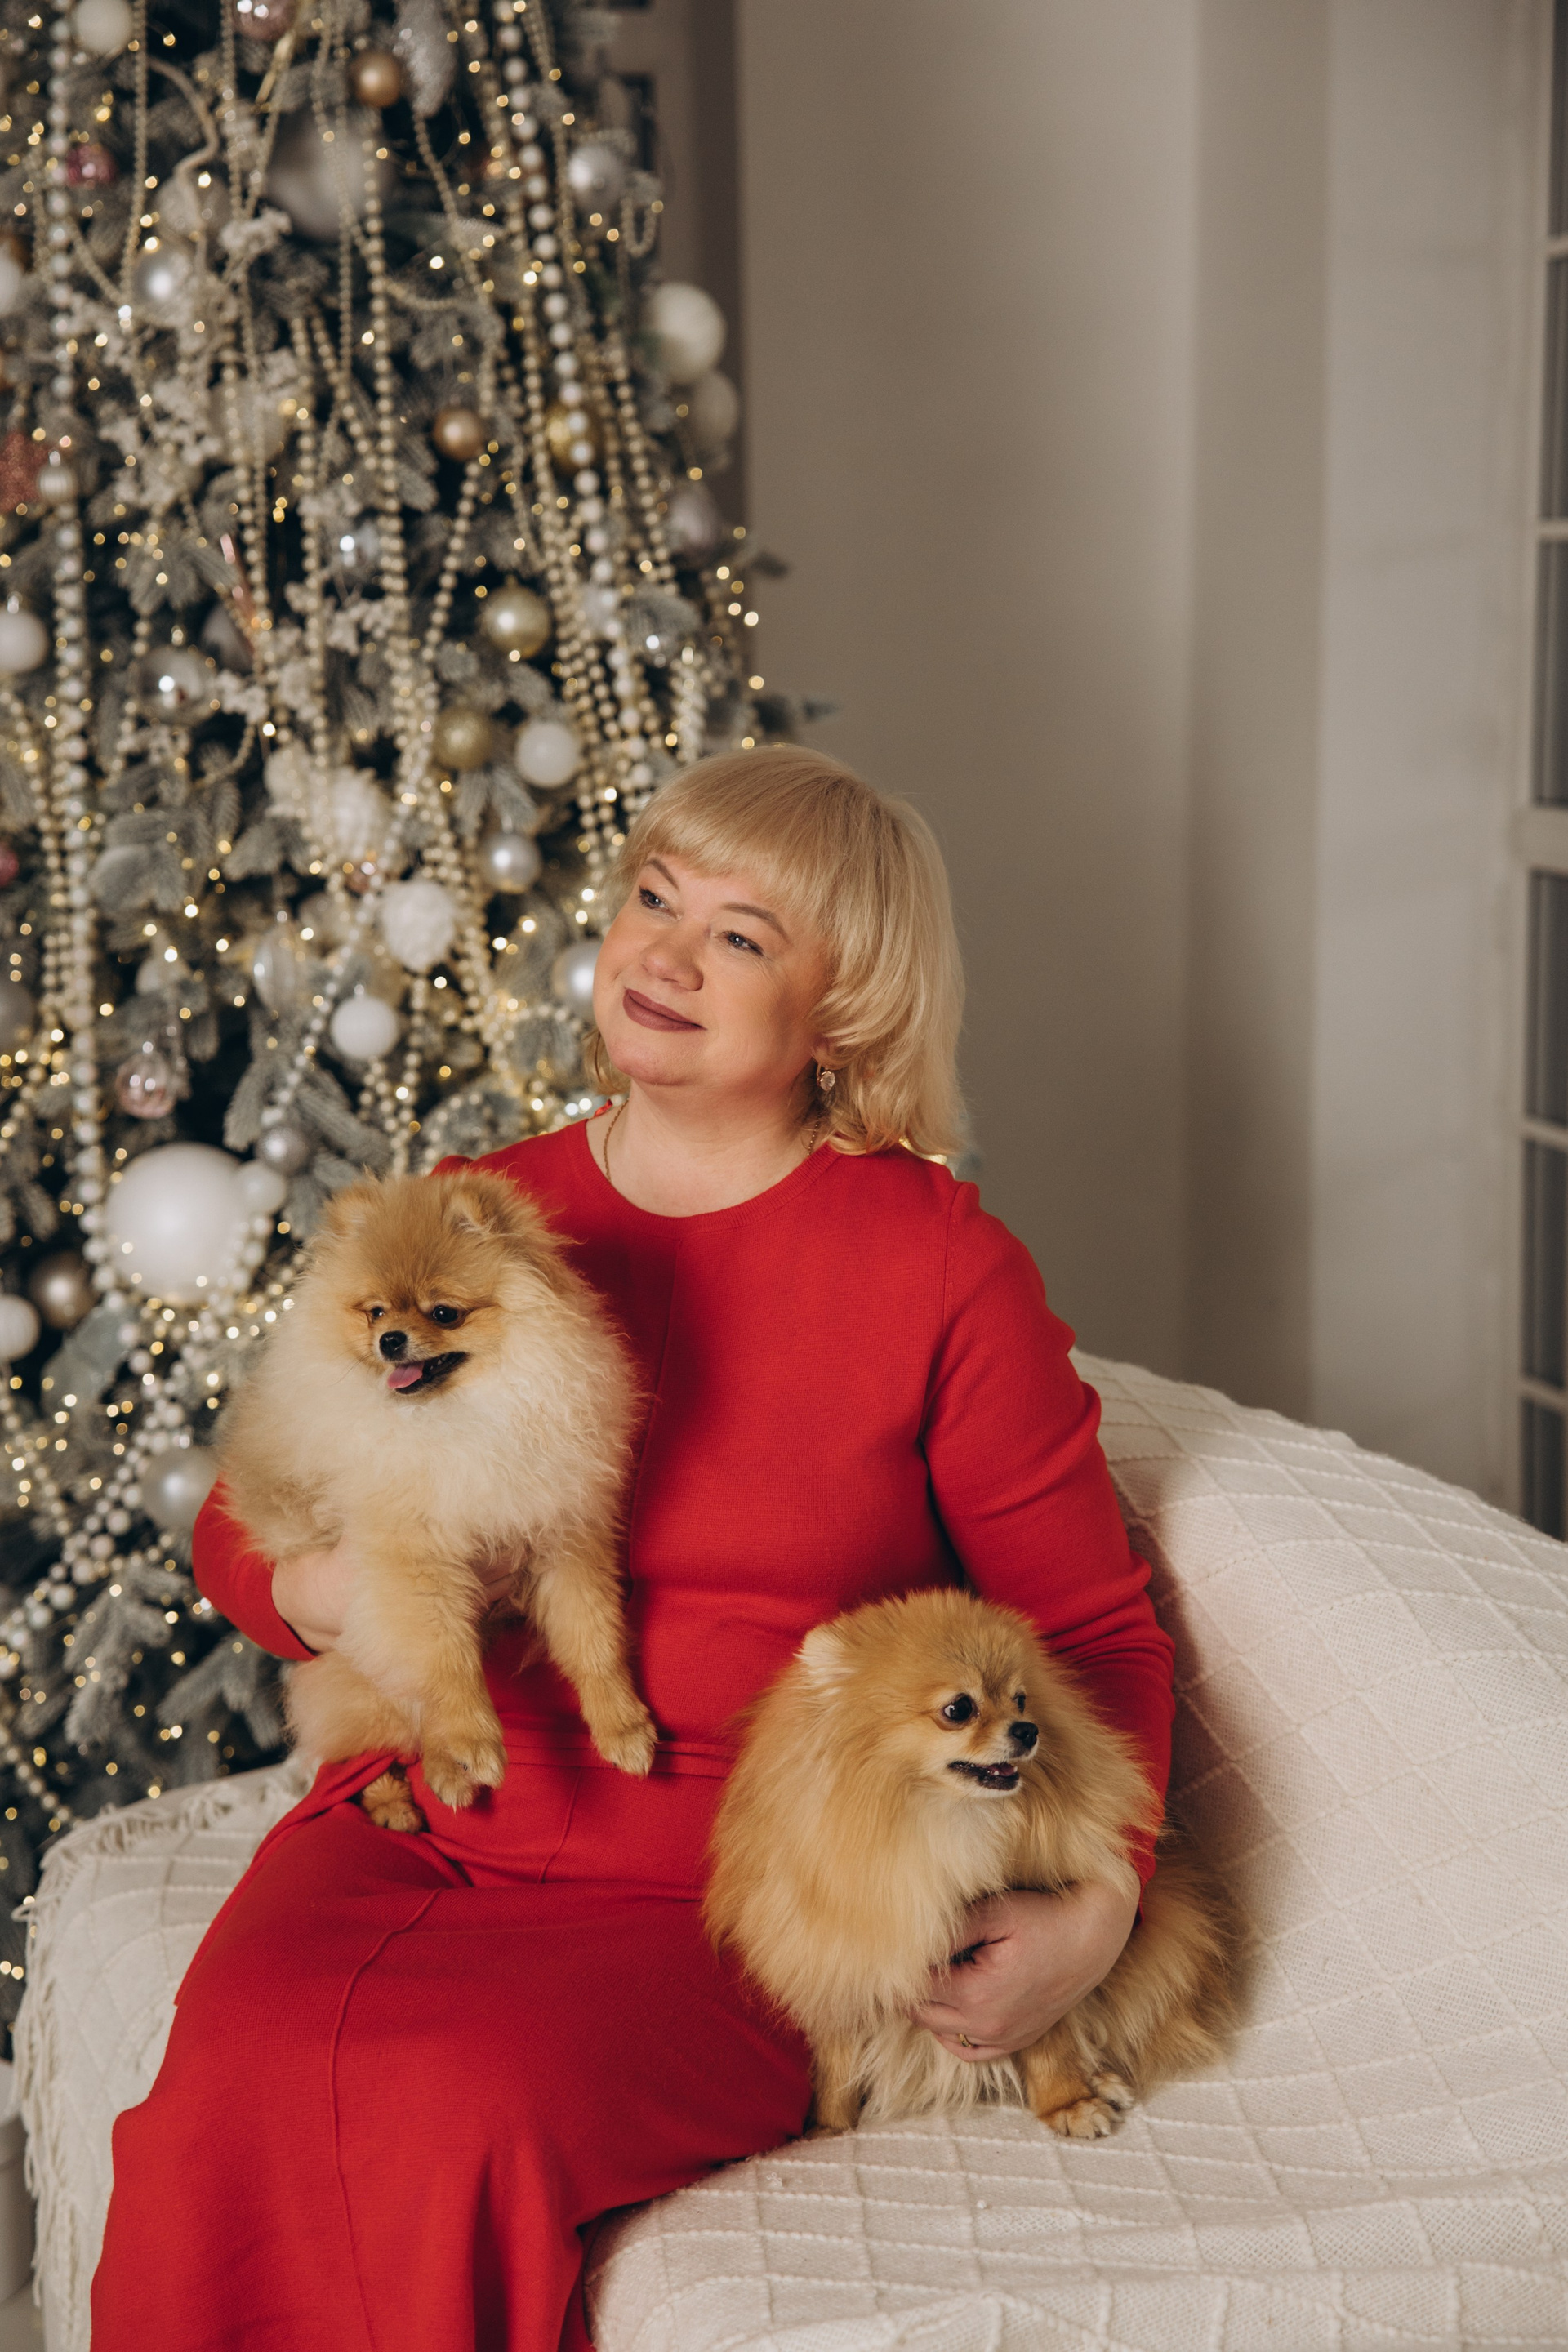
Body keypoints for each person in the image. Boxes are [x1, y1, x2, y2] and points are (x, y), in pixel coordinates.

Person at [91, 747, 1174, 2352]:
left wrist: (1098, 1906)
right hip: (424, 1821)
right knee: (230, 2080)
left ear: (844, 1012)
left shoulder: (943, 1269)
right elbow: (250, 1514)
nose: (664, 954)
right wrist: (322, 1593)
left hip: (732, 1891)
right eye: (653, 899)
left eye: (740, 936)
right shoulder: (472, 1214)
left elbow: (1092, 1632)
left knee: (447, 2107)